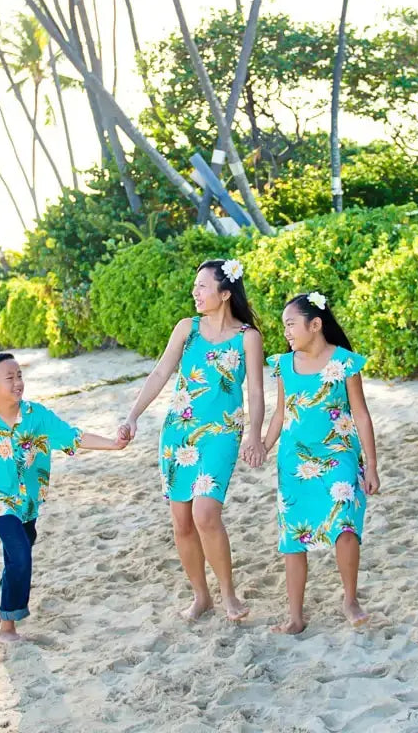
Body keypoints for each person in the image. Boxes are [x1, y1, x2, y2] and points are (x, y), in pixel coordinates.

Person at [0, 352, 128, 643]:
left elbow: (73, 436)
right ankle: (7, 625)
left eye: (19, 376)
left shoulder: (37, 417)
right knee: (20, 554)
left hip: (30, 501)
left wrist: (112, 444)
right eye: (9, 377)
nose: (17, 382)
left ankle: (6, 599)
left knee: (18, 554)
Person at [118, 258, 265, 621]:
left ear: (225, 293)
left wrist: (255, 436)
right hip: (178, 433)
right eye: (195, 286)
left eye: (202, 286)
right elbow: (160, 372)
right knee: (182, 522)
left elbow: (258, 393)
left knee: (205, 513)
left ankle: (228, 594)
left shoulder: (248, 337)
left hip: (221, 434)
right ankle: (202, 596)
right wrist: (133, 415)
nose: (195, 292)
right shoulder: (188, 328)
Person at [263, 291, 380, 634]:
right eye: (283, 325)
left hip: (339, 454)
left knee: (344, 521)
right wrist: (263, 446)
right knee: (293, 536)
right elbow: (280, 414)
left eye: (291, 324)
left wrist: (371, 464)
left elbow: (361, 413)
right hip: (294, 461)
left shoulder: (343, 363)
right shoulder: (285, 365)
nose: (286, 331)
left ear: (315, 325)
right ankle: (296, 616)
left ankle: (350, 598)